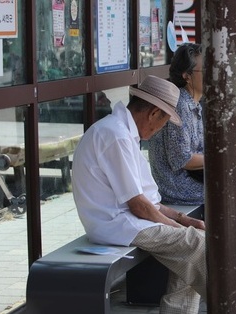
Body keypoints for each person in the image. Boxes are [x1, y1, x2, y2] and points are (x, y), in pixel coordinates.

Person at [72, 75, 207, 313]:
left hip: (130, 222)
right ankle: (229, 302)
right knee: (198, 244)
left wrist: (183, 219)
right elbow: (138, 205)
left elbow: (150, 201)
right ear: (154, 113)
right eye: (164, 122)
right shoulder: (115, 135)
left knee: (193, 247)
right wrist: (179, 229)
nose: (159, 130)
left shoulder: (121, 132)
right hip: (117, 225)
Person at [149, 43, 236, 279]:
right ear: (187, 76)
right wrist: (225, 160)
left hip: (193, 177)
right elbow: (183, 159)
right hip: (177, 184)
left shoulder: (194, 104)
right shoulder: (180, 105)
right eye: (205, 70)